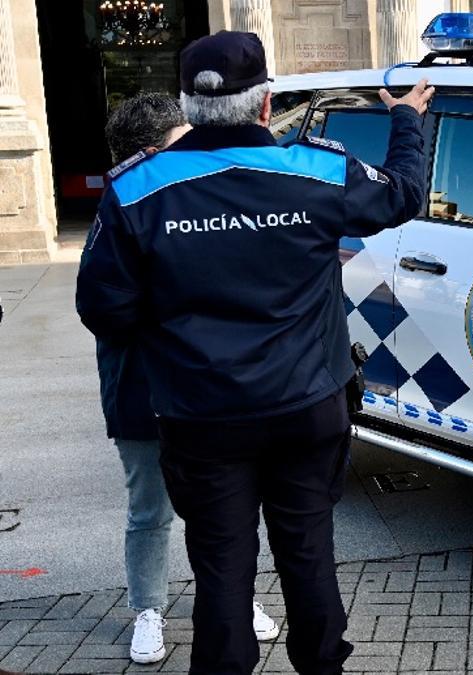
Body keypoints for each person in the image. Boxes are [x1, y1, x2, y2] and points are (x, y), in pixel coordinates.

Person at [76, 31, 433, 675]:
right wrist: (405, 119)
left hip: (202, 417)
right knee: (307, 555)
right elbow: (402, 194)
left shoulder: (135, 190)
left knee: (222, 569)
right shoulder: (318, 170)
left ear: (187, 108)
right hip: (305, 406)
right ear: (266, 105)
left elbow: (104, 309)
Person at [101, 92, 281, 666]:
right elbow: (104, 309)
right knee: (149, 508)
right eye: (185, 139)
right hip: (144, 392)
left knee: (224, 507)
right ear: (155, 152)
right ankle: (148, 609)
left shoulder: (199, 199)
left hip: (207, 393)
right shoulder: (124, 208)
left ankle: (236, 599)